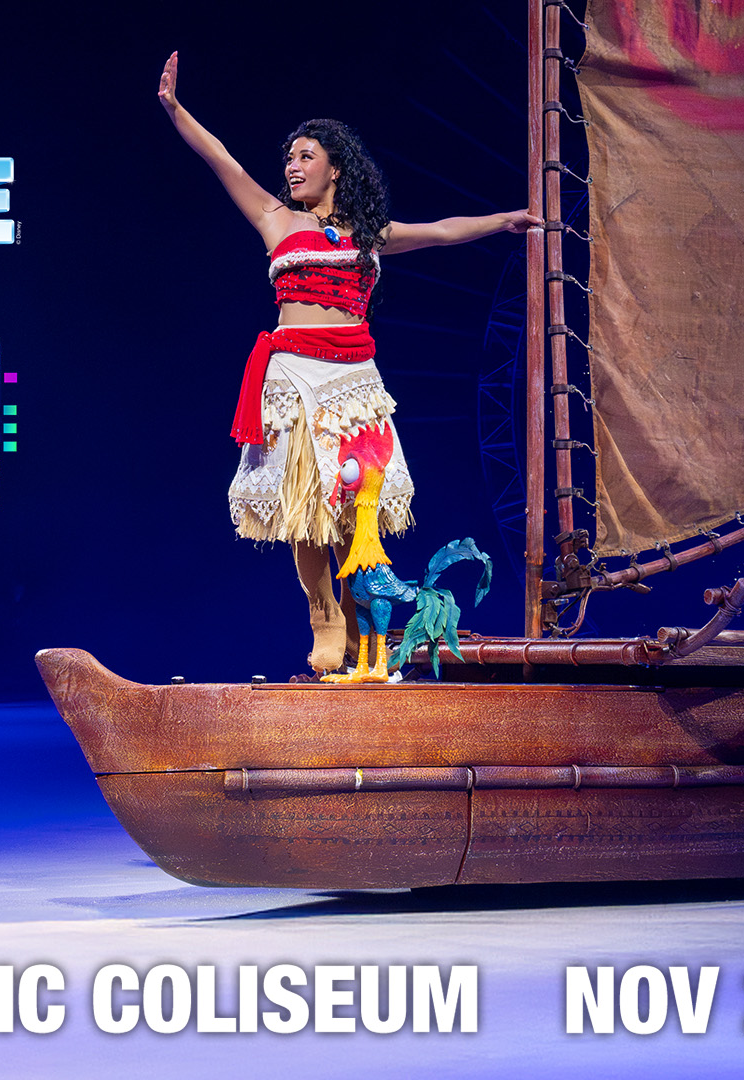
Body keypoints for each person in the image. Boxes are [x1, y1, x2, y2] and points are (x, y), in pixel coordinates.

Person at [158, 51, 537, 676]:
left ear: (335, 169)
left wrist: (503, 221)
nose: (292, 165)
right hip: (294, 375)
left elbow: (442, 230)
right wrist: (175, 109)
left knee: (354, 508)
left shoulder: (369, 234)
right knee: (307, 506)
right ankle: (324, 616)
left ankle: (362, 619)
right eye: (289, 157)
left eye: (306, 156)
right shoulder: (276, 219)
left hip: (354, 380)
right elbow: (222, 159)